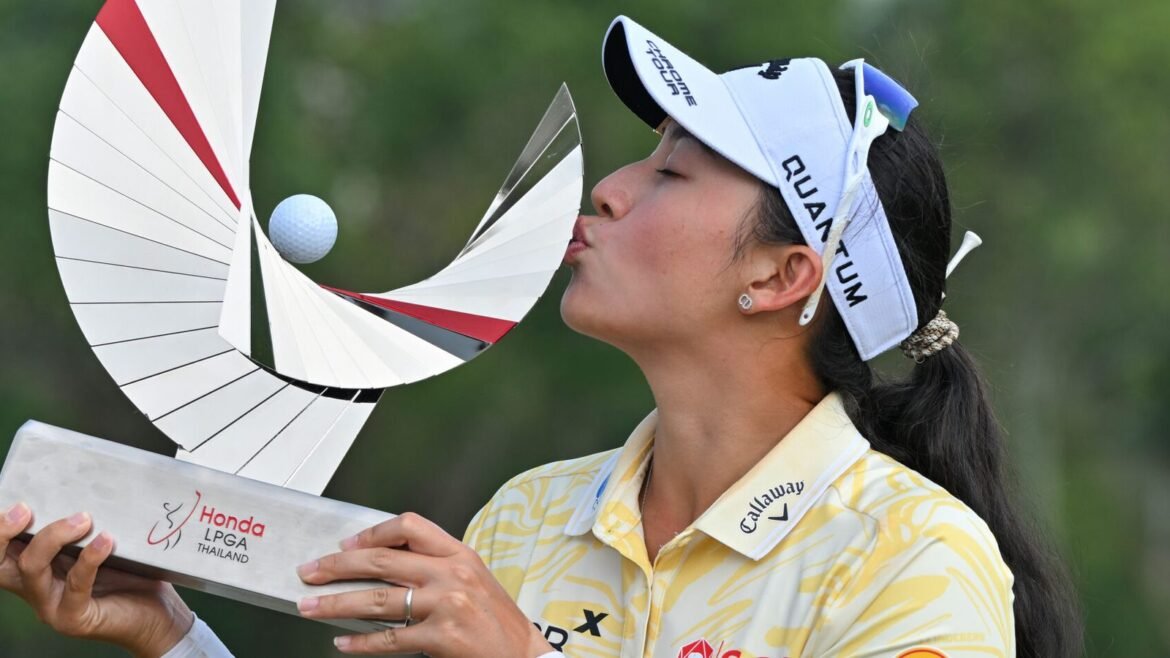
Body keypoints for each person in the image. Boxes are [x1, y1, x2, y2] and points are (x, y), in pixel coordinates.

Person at [0, 15, 1081, 658]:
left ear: (782, 275)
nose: (607, 189)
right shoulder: (526, 519)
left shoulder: (912, 558)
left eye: (670, 171)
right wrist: (169, 630)